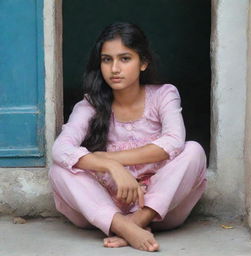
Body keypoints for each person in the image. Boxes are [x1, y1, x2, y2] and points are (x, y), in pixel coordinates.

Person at [49, 22, 207, 252]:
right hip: (102, 206)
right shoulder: (90, 105)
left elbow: (173, 141)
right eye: (107, 59)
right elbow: (61, 149)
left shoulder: (163, 95)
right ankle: (122, 225)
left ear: (143, 62)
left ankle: (137, 222)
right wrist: (113, 168)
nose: (114, 69)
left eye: (125, 59)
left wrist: (116, 159)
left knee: (194, 150)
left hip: (159, 208)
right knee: (59, 169)